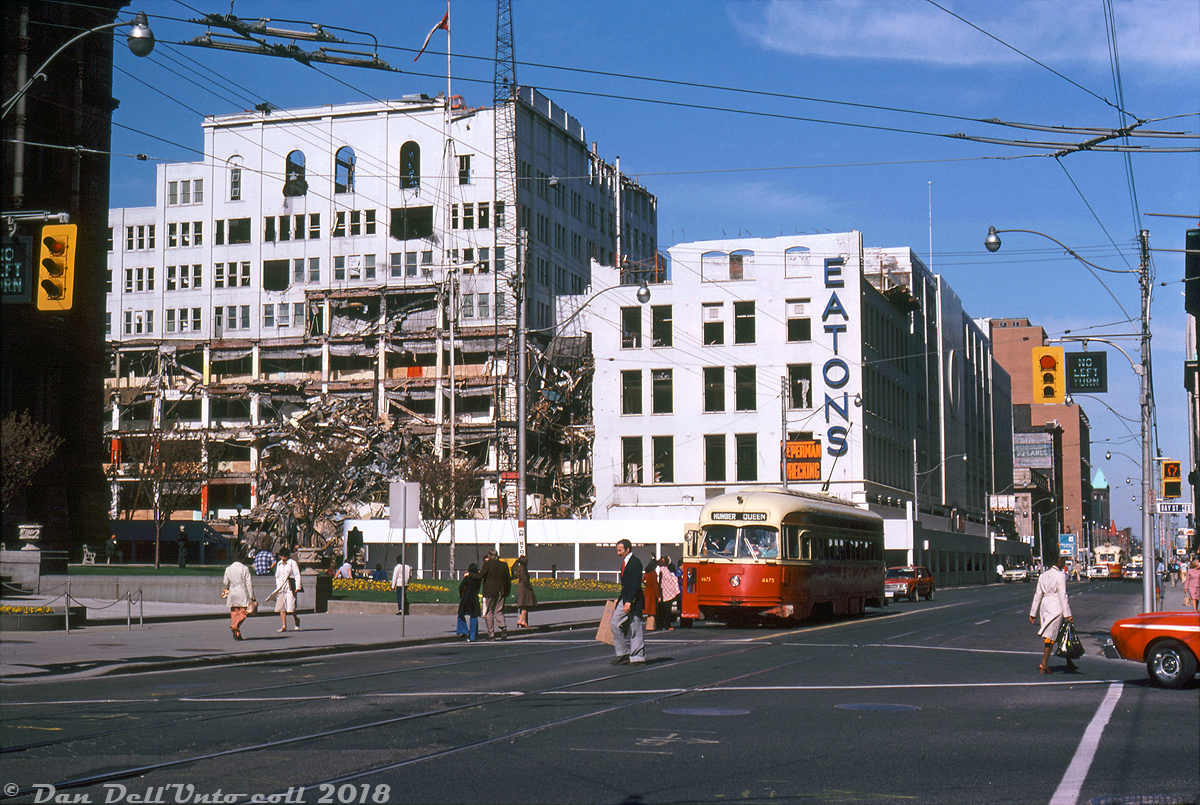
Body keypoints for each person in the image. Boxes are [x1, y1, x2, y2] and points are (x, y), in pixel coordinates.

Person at [1030, 556, 1075, 674]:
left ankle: (1069, 661)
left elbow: (1038, 595)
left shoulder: (1043, 576)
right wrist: (1068, 614)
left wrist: (1033, 613)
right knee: (1050, 637)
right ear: (1058, 561)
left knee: (1062, 634)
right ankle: (1043, 663)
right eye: (1062, 560)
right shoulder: (1060, 575)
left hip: (1045, 606)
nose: (1064, 562)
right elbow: (1062, 595)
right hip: (1056, 607)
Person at [610, 538, 646, 665]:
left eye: (620, 550)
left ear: (627, 549)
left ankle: (638, 657)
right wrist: (620, 599)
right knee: (614, 623)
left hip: (633, 600)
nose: (618, 553)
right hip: (625, 599)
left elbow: (636, 584)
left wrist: (629, 601)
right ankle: (623, 653)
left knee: (635, 627)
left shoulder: (635, 563)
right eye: (618, 550)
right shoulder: (625, 562)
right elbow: (626, 585)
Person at [480, 549, 511, 640]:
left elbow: (481, 575)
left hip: (490, 591)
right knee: (499, 611)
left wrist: (470, 575)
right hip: (501, 591)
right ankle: (503, 627)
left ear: (489, 556)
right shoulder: (503, 565)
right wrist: (506, 591)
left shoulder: (487, 565)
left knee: (489, 612)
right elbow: (508, 580)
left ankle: (491, 634)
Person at [222, 555, 255, 641]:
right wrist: (251, 596)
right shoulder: (245, 568)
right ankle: (235, 626)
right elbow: (249, 584)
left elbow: (225, 582)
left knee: (234, 612)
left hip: (232, 592)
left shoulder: (228, 569)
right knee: (244, 612)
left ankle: (237, 634)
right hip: (242, 592)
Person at [271, 547, 303, 632]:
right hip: (281, 588)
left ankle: (296, 619)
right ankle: (284, 625)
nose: (282, 558)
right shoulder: (279, 564)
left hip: (290, 587)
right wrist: (278, 586)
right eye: (281, 556)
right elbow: (277, 575)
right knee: (282, 607)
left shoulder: (292, 563)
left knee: (291, 608)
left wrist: (297, 587)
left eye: (284, 556)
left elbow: (297, 575)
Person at [456, 563, 482, 641]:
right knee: (474, 616)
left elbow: (461, 586)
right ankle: (473, 636)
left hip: (466, 598)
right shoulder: (478, 578)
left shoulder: (467, 578)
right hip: (475, 598)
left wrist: (461, 594)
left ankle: (463, 631)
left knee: (461, 614)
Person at [657, 554, 681, 630]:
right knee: (667, 611)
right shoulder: (665, 570)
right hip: (666, 593)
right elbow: (670, 580)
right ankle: (667, 625)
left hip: (661, 592)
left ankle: (661, 625)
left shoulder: (659, 569)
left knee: (662, 610)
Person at [514, 555, 536, 628]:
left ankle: (521, 620)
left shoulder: (519, 569)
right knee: (525, 605)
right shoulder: (523, 570)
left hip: (521, 588)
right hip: (525, 589)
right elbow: (525, 580)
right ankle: (523, 621)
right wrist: (530, 587)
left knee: (523, 605)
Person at [642, 557, 661, 631]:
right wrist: (658, 596)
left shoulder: (647, 572)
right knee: (652, 610)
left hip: (647, 591)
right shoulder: (653, 573)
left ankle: (648, 624)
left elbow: (643, 580)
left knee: (648, 608)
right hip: (652, 592)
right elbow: (655, 585)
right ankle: (651, 625)